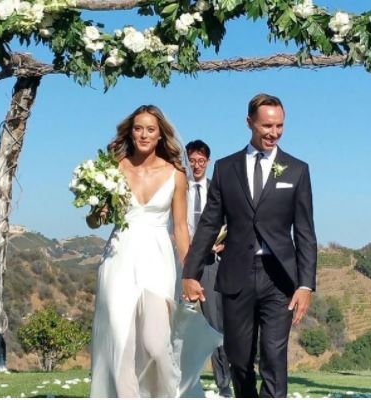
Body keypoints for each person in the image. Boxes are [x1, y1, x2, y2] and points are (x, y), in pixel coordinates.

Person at [182, 94, 317, 397]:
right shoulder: (226, 168)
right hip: (236, 276)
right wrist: (190, 272)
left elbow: (306, 232)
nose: (274, 132)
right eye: (267, 125)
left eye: (280, 126)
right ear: (249, 123)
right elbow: (209, 224)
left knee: (273, 357)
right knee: (239, 359)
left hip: (279, 278)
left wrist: (306, 284)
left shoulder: (297, 170)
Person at [87, 105, 220, 398]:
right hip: (119, 258)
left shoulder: (176, 175)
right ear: (130, 132)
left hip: (157, 260)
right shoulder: (113, 168)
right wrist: (99, 209)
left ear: (161, 134)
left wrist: (190, 274)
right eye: (138, 128)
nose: (143, 134)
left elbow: (181, 230)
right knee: (120, 344)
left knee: (156, 345)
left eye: (150, 129)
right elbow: (94, 221)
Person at [186, 140, 232, 398]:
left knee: (215, 326)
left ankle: (224, 385)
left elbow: (233, 222)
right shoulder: (180, 189)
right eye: (192, 160)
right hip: (181, 261)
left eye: (201, 161)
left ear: (208, 161)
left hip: (211, 264)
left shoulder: (218, 189)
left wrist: (223, 245)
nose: (196, 165)